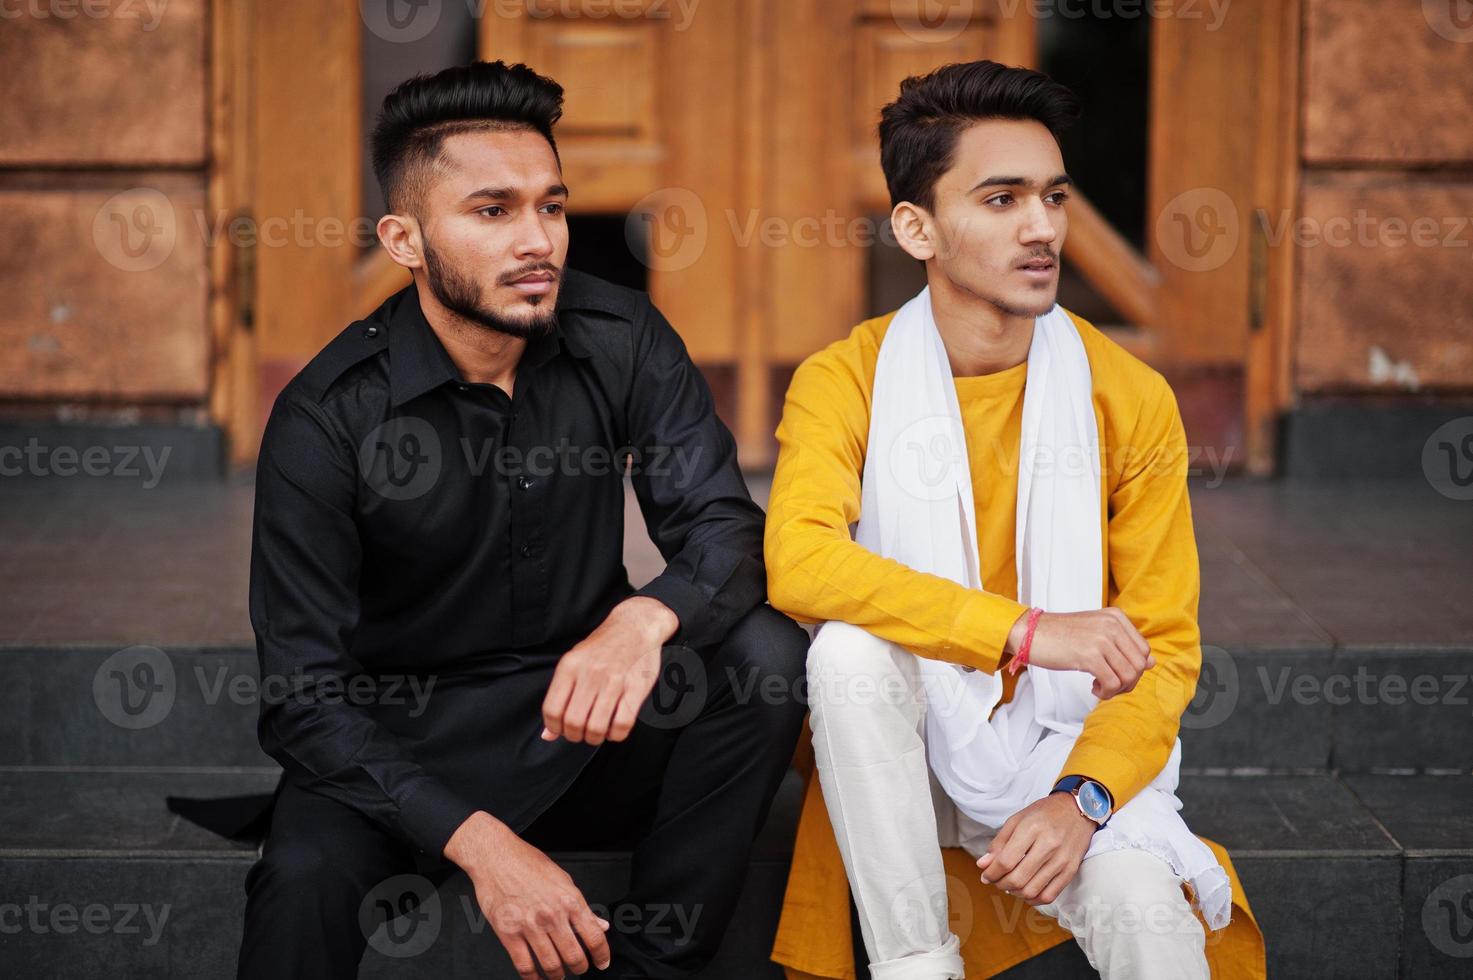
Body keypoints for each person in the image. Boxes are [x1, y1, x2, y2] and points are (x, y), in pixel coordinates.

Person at [238, 60, 808, 980]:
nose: (538, 240)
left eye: (551, 206)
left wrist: (642, 618)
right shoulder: (326, 415)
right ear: (405, 238)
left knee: (768, 655)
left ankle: (653, 968)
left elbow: (725, 529)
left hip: (584, 721)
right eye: (492, 211)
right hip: (406, 747)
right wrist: (480, 844)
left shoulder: (621, 337)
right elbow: (301, 700)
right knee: (301, 882)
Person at [765, 60, 1235, 980]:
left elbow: (1164, 647)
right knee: (847, 652)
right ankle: (916, 964)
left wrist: (1082, 800)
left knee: (1152, 923)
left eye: (1053, 196)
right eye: (1001, 198)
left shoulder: (1126, 396)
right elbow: (799, 562)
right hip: (903, 752)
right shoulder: (844, 379)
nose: (1042, 227)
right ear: (917, 228)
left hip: (1066, 750)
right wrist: (1021, 633)